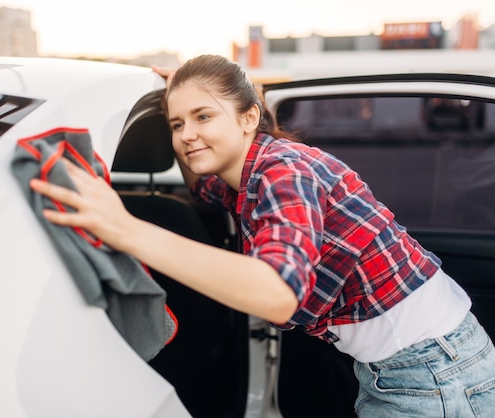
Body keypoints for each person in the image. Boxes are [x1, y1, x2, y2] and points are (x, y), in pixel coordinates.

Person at [29, 54, 495, 416]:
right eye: (176, 123)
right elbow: (202, 185)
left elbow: (277, 295)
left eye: (204, 117)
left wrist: (125, 227)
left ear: (250, 117)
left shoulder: (283, 171)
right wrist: (184, 93)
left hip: (432, 373)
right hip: (411, 363)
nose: (187, 135)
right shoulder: (245, 177)